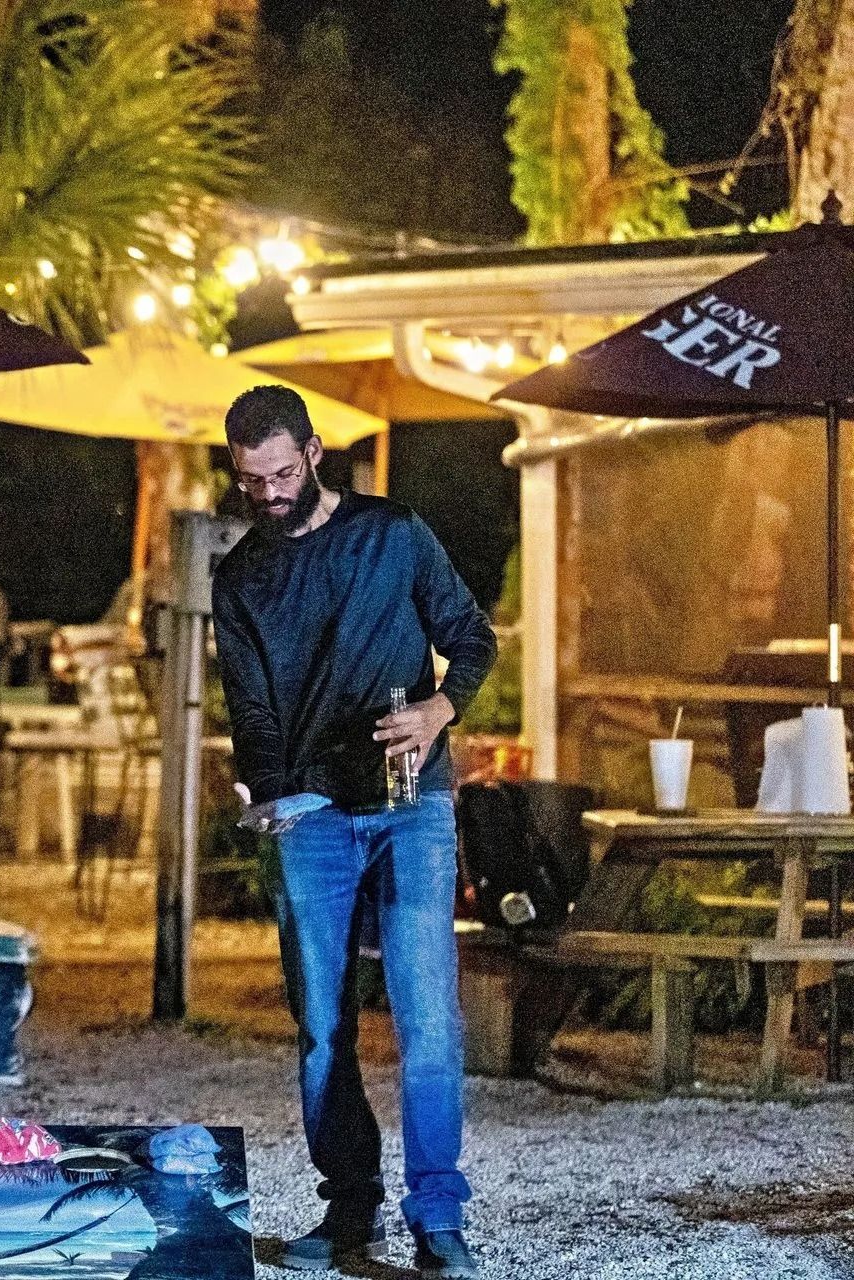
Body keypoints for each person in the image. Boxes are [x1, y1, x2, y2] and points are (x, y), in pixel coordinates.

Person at [208, 386, 495, 1279]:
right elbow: (251, 710)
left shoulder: (393, 532)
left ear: (314, 453)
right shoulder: (241, 576)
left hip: (411, 804)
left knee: (428, 1020)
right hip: (312, 817)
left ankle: (438, 1219)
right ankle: (349, 1213)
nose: (269, 493)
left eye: (281, 473)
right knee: (323, 1026)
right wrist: (267, 791)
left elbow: (471, 637)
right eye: (252, 479)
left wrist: (441, 710)